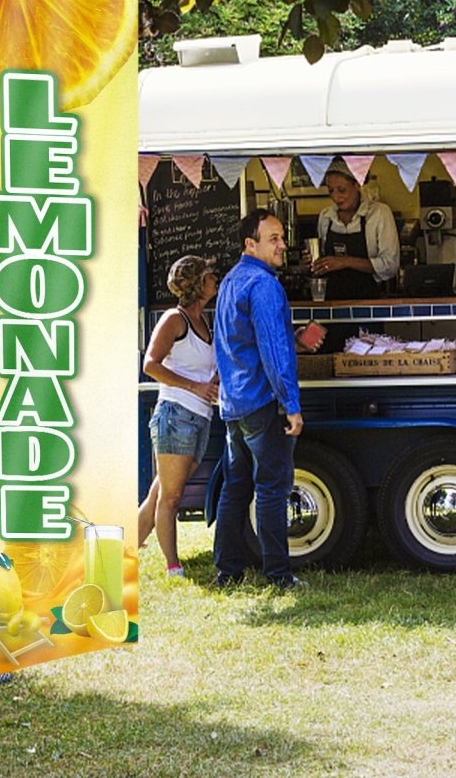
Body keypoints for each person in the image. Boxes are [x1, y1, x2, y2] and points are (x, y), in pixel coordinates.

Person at [212, 208, 304, 590]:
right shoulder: (264, 285)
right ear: (250, 244)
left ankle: (227, 573)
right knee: (271, 488)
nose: (283, 245)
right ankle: (279, 576)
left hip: (233, 402)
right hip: (261, 401)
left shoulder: (230, 281)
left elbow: (232, 343)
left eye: (282, 237)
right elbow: (274, 351)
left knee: (235, 488)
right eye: (274, 239)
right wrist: (292, 404)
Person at [140, 255, 220, 580]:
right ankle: (173, 566)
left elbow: (200, 366)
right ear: (198, 283)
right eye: (210, 275)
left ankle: (126, 548)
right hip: (176, 415)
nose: (215, 278)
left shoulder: (204, 321)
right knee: (171, 497)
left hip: (199, 417)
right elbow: (150, 364)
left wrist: (212, 381)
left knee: (160, 491)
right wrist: (195, 386)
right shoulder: (175, 319)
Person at [311, 160, 400, 300]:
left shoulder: (379, 213)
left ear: (358, 184)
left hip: (367, 301)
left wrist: (345, 262)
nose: (335, 197)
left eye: (342, 190)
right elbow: (323, 262)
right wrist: (315, 261)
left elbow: (390, 265)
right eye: (331, 190)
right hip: (333, 302)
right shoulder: (326, 216)